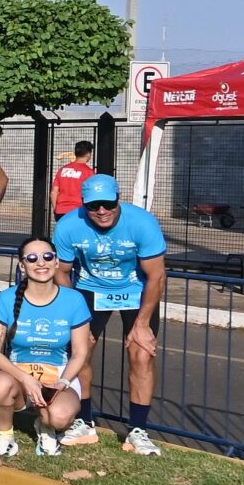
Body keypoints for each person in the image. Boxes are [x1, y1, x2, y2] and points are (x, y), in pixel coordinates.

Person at [52, 174, 169, 454]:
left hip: (136, 288)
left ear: (118, 200)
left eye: (107, 204)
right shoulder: (69, 225)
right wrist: (75, 313)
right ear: (84, 205)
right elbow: (61, 272)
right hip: (91, 289)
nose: (101, 211)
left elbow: (157, 276)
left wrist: (141, 323)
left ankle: (137, 430)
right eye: (94, 206)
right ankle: (84, 422)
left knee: (141, 354)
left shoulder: (142, 223)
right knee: (82, 352)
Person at [0, 236, 95, 459]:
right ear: (22, 267)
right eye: (32, 258)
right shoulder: (6, 299)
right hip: (18, 377)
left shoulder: (74, 300)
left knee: (59, 417)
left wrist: (61, 383)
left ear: (56, 262)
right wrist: (25, 379)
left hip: (58, 377)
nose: (40, 263)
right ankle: (5, 436)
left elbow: (81, 353)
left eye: (47, 256)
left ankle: (46, 427)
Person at [53, 139, 96, 220]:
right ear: (88, 154)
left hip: (60, 211)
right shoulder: (89, 172)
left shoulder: (62, 170)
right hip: (79, 212)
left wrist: (56, 209)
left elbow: (53, 192)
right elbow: (92, 194)